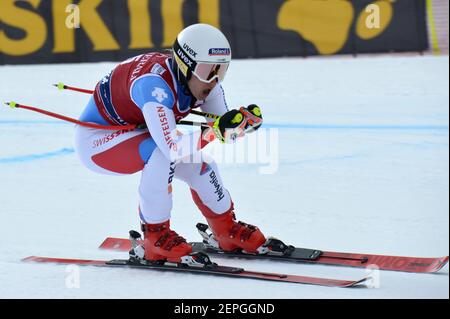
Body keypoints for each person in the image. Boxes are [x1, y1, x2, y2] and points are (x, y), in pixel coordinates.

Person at [74, 23, 267, 263]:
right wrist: (213, 132)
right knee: (162, 155)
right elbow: (173, 147)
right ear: (185, 65)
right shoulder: (154, 87)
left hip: (139, 134)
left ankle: (226, 230)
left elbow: (220, 127)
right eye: (209, 71)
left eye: (222, 71)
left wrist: (240, 125)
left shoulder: (205, 84)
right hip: (98, 143)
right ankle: (155, 237)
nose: (215, 80)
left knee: (201, 164)